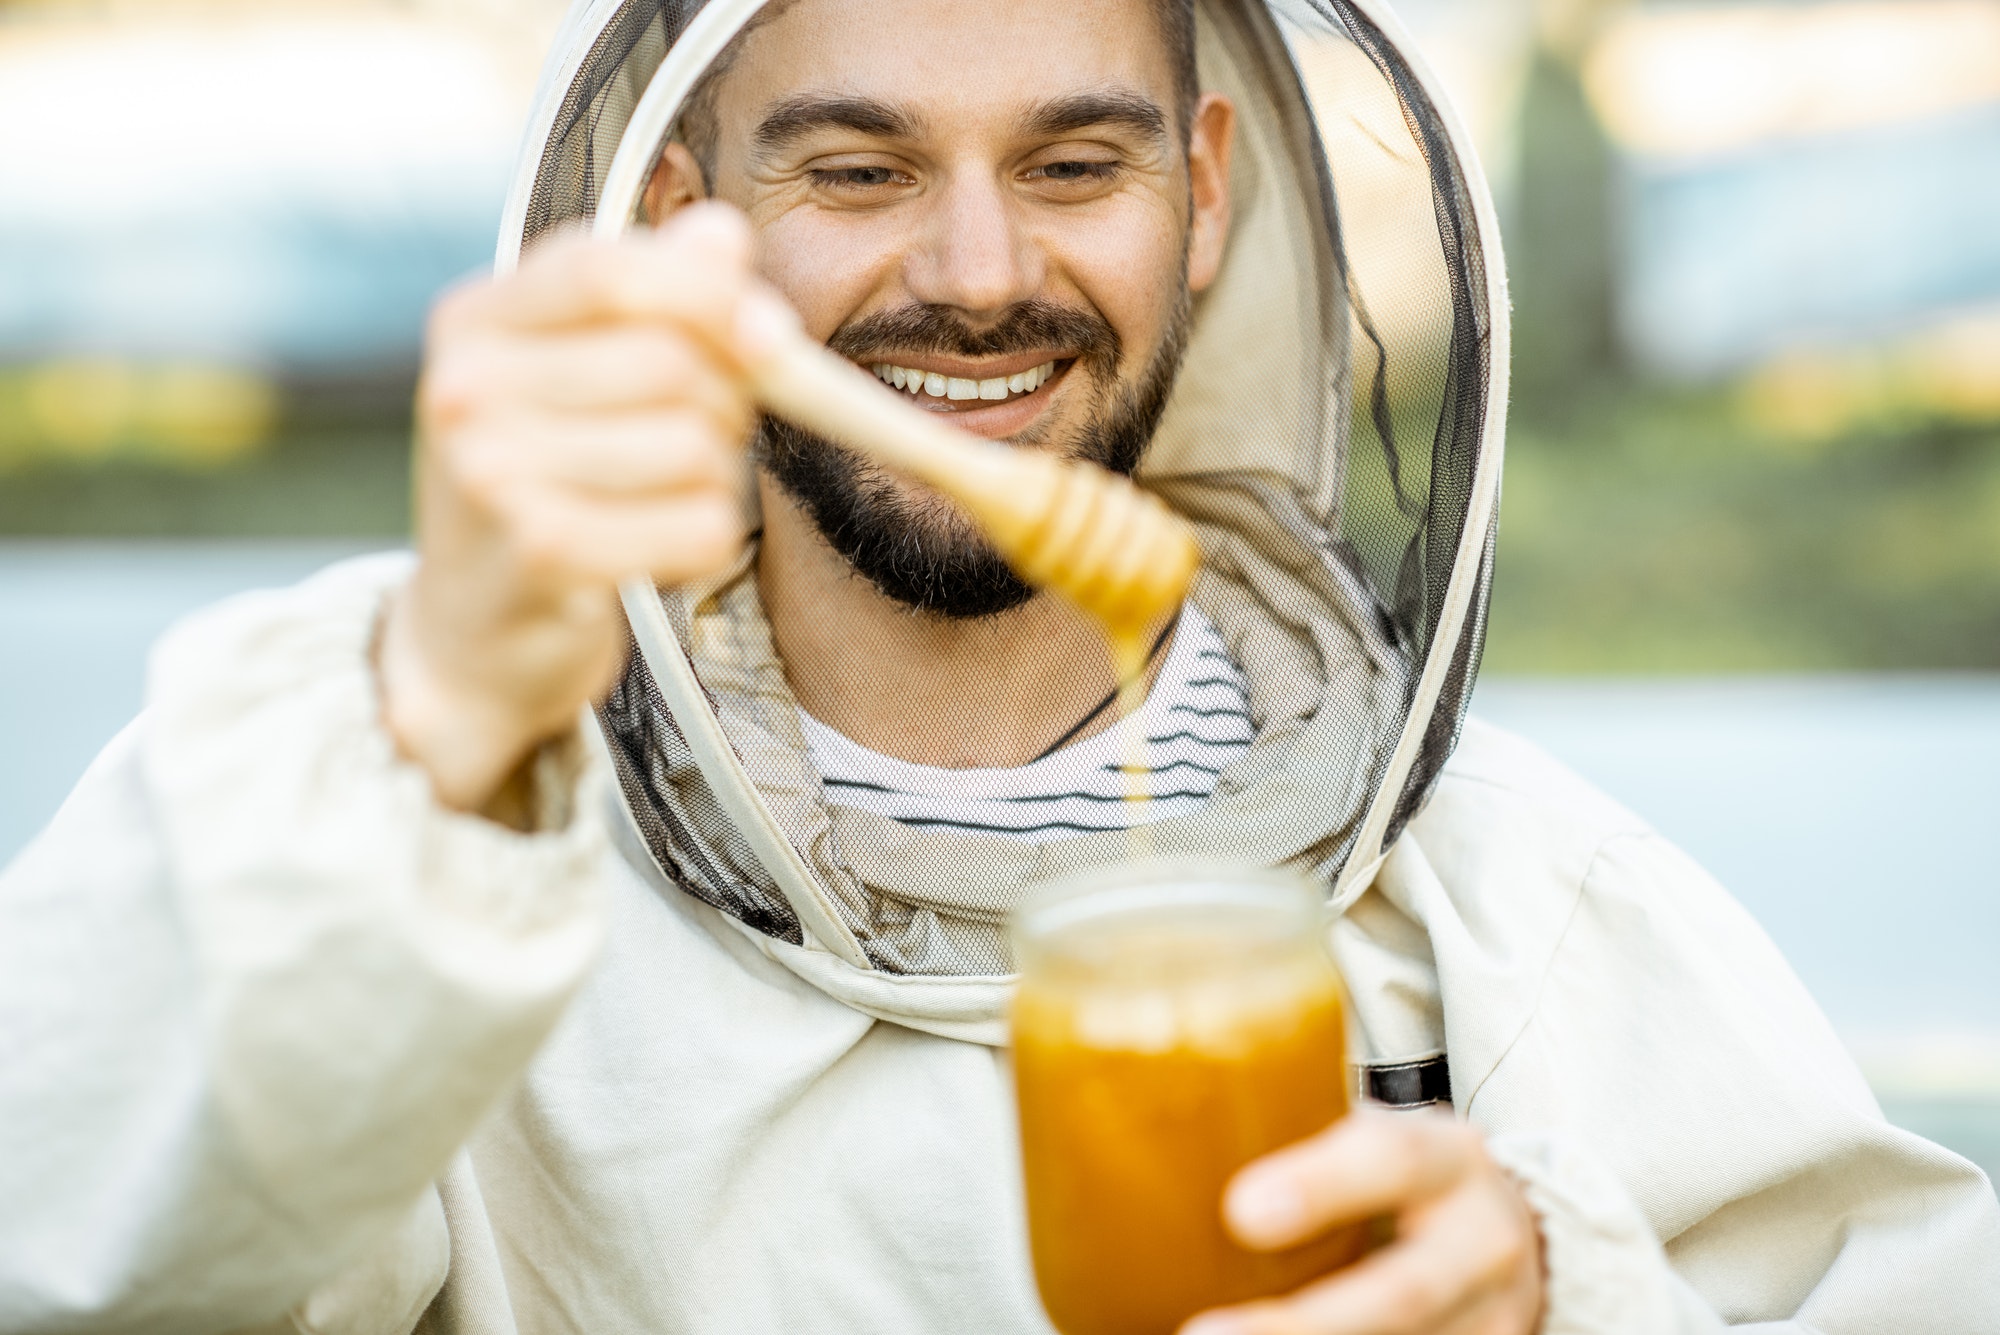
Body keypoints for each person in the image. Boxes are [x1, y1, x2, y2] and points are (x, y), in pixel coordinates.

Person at [2, 0, 1995, 1330]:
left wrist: (1569, 1295)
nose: (974, 275)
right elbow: (89, 1242)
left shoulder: (1520, 902)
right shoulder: (396, 830)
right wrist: (435, 710)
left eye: (1073, 166)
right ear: (687, 217)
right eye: (856, 171)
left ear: (1201, 196)